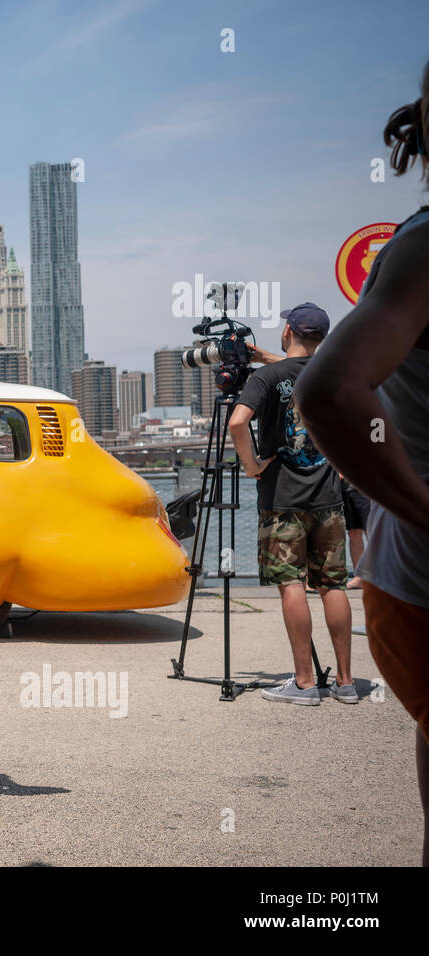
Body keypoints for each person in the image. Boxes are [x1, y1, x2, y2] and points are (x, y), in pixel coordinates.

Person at [295, 58, 429, 865]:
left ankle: (321, 680)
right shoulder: (421, 251)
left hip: (394, 565)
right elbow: (333, 393)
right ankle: (324, 680)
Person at [229, 303, 354, 705]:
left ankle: (304, 683)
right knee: (333, 586)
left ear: (287, 332)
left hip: (282, 499)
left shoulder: (267, 378)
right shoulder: (333, 376)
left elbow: (237, 422)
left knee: (291, 584)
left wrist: (251, 466)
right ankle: (347, 683)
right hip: (328, 499)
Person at [340, 479, 371, 588]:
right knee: (353, 532)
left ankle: (382, 575)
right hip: (345, 488)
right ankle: (360, 576)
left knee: (372, 531)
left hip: (365, 488)